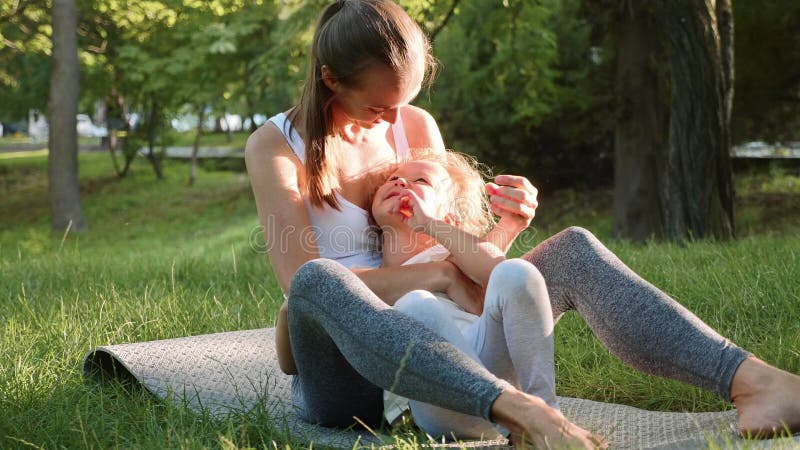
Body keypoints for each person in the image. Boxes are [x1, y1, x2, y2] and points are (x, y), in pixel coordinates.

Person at [245, 0, 800, 445]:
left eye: (406, 102)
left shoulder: (413, 123)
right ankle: (522, 413)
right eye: (378, 109)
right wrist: (432, 279)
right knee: (320, 281)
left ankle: (755, 380)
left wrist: (507, 227)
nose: (396, 122)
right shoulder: (276, 147)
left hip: (448, 328)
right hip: (350, 372)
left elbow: (463, 265)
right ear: (329, 79)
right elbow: (299, 286)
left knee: (573, 248)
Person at [371, 150, 566, 441]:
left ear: (450, 218)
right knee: (415, 304)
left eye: (420, 180)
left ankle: (546, 415)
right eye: (394, 178)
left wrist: (431, 225)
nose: (401, 183)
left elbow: (494, 270)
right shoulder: (369, 274)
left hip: (493, 371)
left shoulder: (455, 257)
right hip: (437, 403)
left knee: (515, 272)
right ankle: (524, 423)